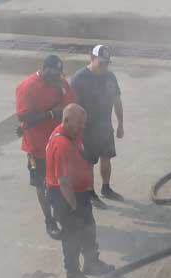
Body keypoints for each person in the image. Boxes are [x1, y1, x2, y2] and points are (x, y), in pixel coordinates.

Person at [46, 104, 114, 278]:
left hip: (78, 193)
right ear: (66, 120)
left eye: (84, 123)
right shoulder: (62, 145)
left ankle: (91, 262)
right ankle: (73, 272)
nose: (82, 127)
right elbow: (63, 181)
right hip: (65, 197)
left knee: (88, 229)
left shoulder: (71, 133)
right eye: (79, 124)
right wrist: (74, 206)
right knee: (72, 236)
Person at [15, 54, 76, 239]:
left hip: (59, 143)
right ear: (43, 69)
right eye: (53, 74)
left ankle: (63, 213)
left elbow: (71, 106)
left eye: (59, 74)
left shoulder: (61, 83)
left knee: (62, 180)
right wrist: (50, 114)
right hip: (37, 147)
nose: (57, 78)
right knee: (42, 184)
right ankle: (49, 220)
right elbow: (23, 118)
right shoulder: (27, 87)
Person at [69, 45, 125, 207]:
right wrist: (75, 129)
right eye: (101, 63)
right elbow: (73, 106)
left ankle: (106, 188)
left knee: (106, 157)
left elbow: (117, 101)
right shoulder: (80, 78)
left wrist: (120, 123)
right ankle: (90, 192)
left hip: (105, 125)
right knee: (88, 162)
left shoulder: (110, 77)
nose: (104, 67)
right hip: (86, 129)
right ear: (91, 59)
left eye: (106, 63)